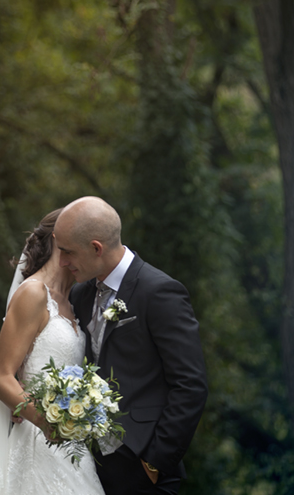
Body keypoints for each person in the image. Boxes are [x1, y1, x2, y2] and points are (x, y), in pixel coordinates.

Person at [53, 197, 207, 495]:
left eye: (68, 252)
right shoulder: (81, 294)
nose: (62, 263)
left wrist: (155, 462)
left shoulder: (160, 291)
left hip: (142, 465)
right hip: (89, 466)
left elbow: (190, 385)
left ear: (96, 248)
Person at [0, 209, 107, 495]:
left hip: (71, 447)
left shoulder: (72, 301)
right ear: (61, 242)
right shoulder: (33, 294)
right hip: (39, 440)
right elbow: (2, 377)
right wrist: (50, 423)